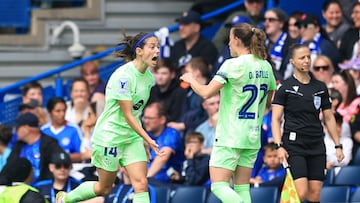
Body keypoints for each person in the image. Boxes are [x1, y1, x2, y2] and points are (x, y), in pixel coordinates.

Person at [55, 32, 163, 203]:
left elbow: (136, 112)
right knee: (104, 188)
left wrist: (141, 139)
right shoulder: (123, 77)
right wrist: (148, 138)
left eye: (158, 46)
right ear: (139, 51)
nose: (157, 50)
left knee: (141, 183)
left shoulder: (149, 78)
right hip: (109, 137)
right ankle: (65, 199)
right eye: (152, 46)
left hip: (131, 138)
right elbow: (127, 114)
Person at [180, 23, 277, 203]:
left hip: (230, 134)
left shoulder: (232, 64)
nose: (228, 44)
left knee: (219, 186)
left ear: (237, 40)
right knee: (241, 187)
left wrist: (191, 79)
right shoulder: (266, 66)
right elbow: (270, 100)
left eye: (230, 40)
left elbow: (206, 92)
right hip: (252, 135)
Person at [272, 44, 344, 202]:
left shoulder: (320, 87)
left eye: (308, 57)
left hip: (316, 143)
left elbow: (329, 117)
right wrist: (279, 145)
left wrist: (337, 145)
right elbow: (276, 119)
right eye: (302, 58)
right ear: (292, 61)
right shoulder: (285, 87)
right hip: (295, 144)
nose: (306, 61)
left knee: (315, 194)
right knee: (301, 192)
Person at [0, 112, 65, 185]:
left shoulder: (49, 144)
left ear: (26, 128)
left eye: (17, 128)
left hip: (44, 187)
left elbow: (59, 166)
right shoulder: (18, 146)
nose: (15, 132)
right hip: (20, 189)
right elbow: (8, 168)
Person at [143, 102, 184, 184]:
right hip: (147, 182)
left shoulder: (171, 133)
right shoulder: (146, 135)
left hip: (167, 184)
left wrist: (145, 179)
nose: (146, 121)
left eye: (150, 118)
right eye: (144, 118)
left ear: (162, 119)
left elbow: (163, 157)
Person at [41, 97, 91, 163]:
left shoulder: (74, 129)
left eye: (64, 110)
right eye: (58, 111)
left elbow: (83, 154)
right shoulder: (43, 130)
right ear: (49, 112)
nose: (62, 114)